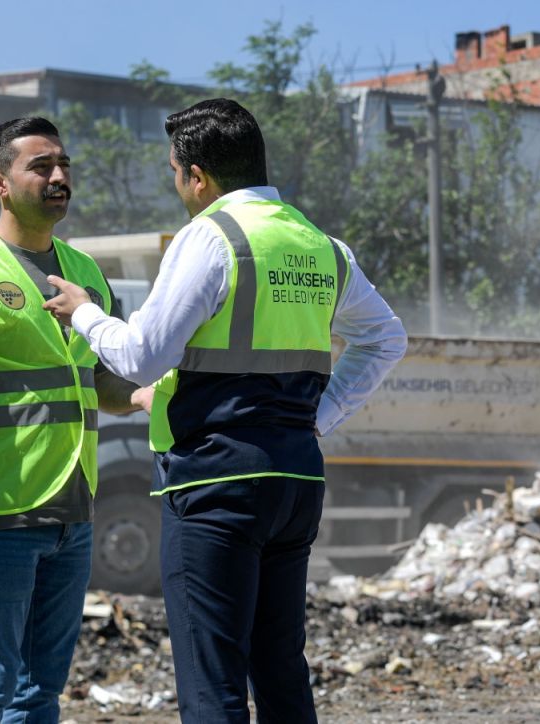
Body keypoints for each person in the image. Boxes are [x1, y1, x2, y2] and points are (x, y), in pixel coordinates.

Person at [45, 98, 407, 723]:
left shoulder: (210, 238)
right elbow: (386, 339)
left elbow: (142, 357)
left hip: (216, 482)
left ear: (197, 176)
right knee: (281, 671)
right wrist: (314, 419)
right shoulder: (321, 246)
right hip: (296, 479)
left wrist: (84, 313)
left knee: (212, 679)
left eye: (173, 172)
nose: (176, 185)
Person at [0, 116, 142, 722]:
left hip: (74, 512)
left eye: (64, 165)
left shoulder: (87, 274)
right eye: (41, 167)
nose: (59, 176)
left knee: (41, 690)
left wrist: (146, 395)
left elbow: (97, 382)